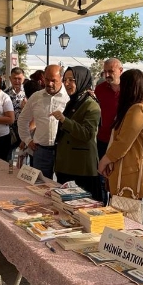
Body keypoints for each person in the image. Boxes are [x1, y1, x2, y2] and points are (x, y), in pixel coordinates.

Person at [97, 69, 143, 221]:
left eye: (123, 85)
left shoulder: (137, 109)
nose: (120, 88)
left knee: (125, 217)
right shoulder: (141, 107)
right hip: (128, 168)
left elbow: (123, 142)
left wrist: (105, 160)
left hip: (130, 172)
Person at [51, 66, 101, 201]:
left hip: (81, 168)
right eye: (65, 79)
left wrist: (63, 120)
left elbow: (87, 134)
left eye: (71, 80)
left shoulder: (90, 104)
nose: (66, 84)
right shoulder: (74, 101)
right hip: (66, 164)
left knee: (82, 207)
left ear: (81, 80)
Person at [18, 65, 69, 179]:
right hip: (41, 151)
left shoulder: (68, 98)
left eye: (53, 80)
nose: (49, 83)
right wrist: (27, 140)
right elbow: (22, 119)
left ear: (61, 78)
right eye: (47, 79)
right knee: (40, 186)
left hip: (63, 152)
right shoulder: (36, 97)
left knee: (63, 186)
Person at [94, 58, 123, 203]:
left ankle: (115, 208)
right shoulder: (100, 89)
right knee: (101, 176)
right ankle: (101, 207)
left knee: (117, 179)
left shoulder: (128, 90)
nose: (107, 75)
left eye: (110, 71)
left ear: (120, 71)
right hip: (102, 139)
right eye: (104, 72)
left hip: (120, 142)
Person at [5, 67, 26, 152]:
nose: (17, 81)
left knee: (24, 157)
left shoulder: (29, 93)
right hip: (10, 129)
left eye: (19, 79)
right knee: (9, 154)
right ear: (10, 78)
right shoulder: (5, 93)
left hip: (25, 128)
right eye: (15, 78)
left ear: (23, 78)